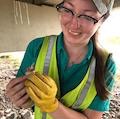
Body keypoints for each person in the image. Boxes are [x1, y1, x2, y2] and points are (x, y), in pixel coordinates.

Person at [6, 0, 116, 119]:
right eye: (68, 10)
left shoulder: (106, 65)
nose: (74, 23)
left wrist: (52, 105)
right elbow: (25, 101)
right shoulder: (37, 47)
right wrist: (19, 98)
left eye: (87, 17)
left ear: (102, 20)